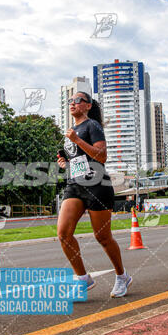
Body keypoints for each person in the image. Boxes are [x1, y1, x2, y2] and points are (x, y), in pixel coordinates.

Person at [57, 91, 132, 298]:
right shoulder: (72, 131)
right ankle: (83, 279)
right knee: (63, 234)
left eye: (78, 100)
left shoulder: (92, 126)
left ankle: (122, 276)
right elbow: (75, 159)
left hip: (97, 185)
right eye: (70, 101)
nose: (72, 103)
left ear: (88, 105)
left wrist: (77, 141)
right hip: (75, 185)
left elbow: (102, 156)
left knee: (103, 237)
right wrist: (64, 162)